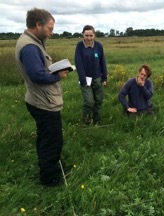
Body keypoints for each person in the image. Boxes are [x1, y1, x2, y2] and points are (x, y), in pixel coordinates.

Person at [15, 8, 68, 186]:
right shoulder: (30, 47)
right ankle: (50, 178)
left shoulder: (32, 41)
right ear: (38, 25)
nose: (51, 33)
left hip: (38, 99)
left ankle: (48, 166)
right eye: (49, 28)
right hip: (43, 102)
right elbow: (37, 76)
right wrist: (57, 76)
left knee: (45, 137)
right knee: (52, 140)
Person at [74, 25, 108, 126]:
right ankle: (86, 122)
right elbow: (78, 64)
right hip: (85, 79)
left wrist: (104, 78)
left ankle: (96, 121)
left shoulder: (98, 46)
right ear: (83, 35)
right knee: (89, 102)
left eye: (91, 35)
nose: (89, 38)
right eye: (86, 35)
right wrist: (83, 80)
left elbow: (103, 62)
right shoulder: (79, 46)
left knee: (98, 101)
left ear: (94, 35)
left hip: (98, 78)